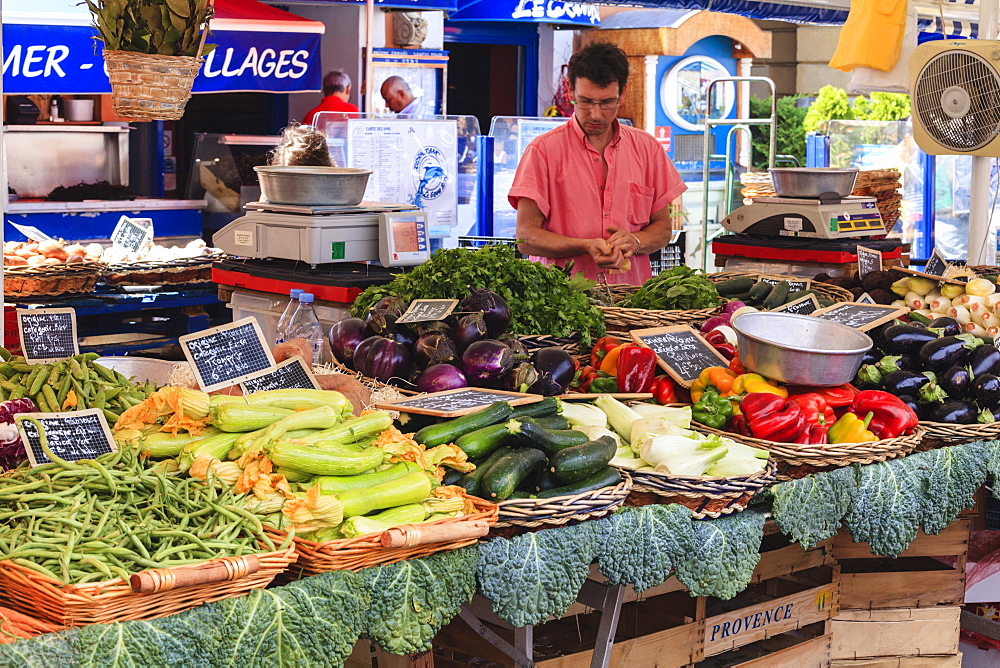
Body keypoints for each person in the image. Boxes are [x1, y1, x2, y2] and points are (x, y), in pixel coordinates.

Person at [508, 42, 686, 285]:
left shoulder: (647, 149)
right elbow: (526, 237)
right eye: (586, 101)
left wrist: (635, 241)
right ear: (570, 91)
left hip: (630, 303)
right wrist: (584, 246)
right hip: (561, 302)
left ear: (622, 93)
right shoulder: (543, 151)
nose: (595, 114)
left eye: (606, 103)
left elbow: (663, 229)